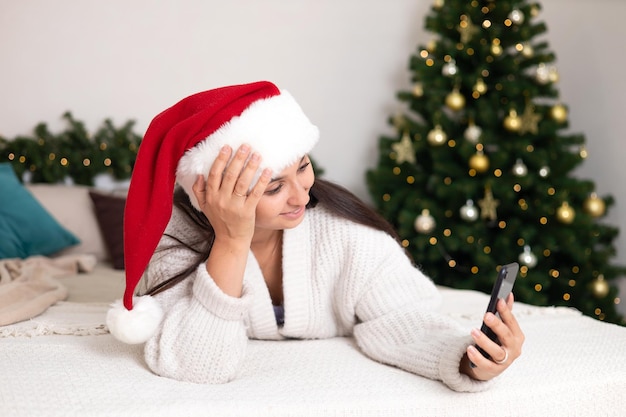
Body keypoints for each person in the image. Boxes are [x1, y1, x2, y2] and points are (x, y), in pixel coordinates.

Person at [106, 81, 524, 392]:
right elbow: (198, 365)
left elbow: (403, 321)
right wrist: (231, 241)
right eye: (273, 187)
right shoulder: (174, 240)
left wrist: (469, 362)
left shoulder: (346, 231)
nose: (302, 194)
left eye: (303, 167)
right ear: (206, 193)